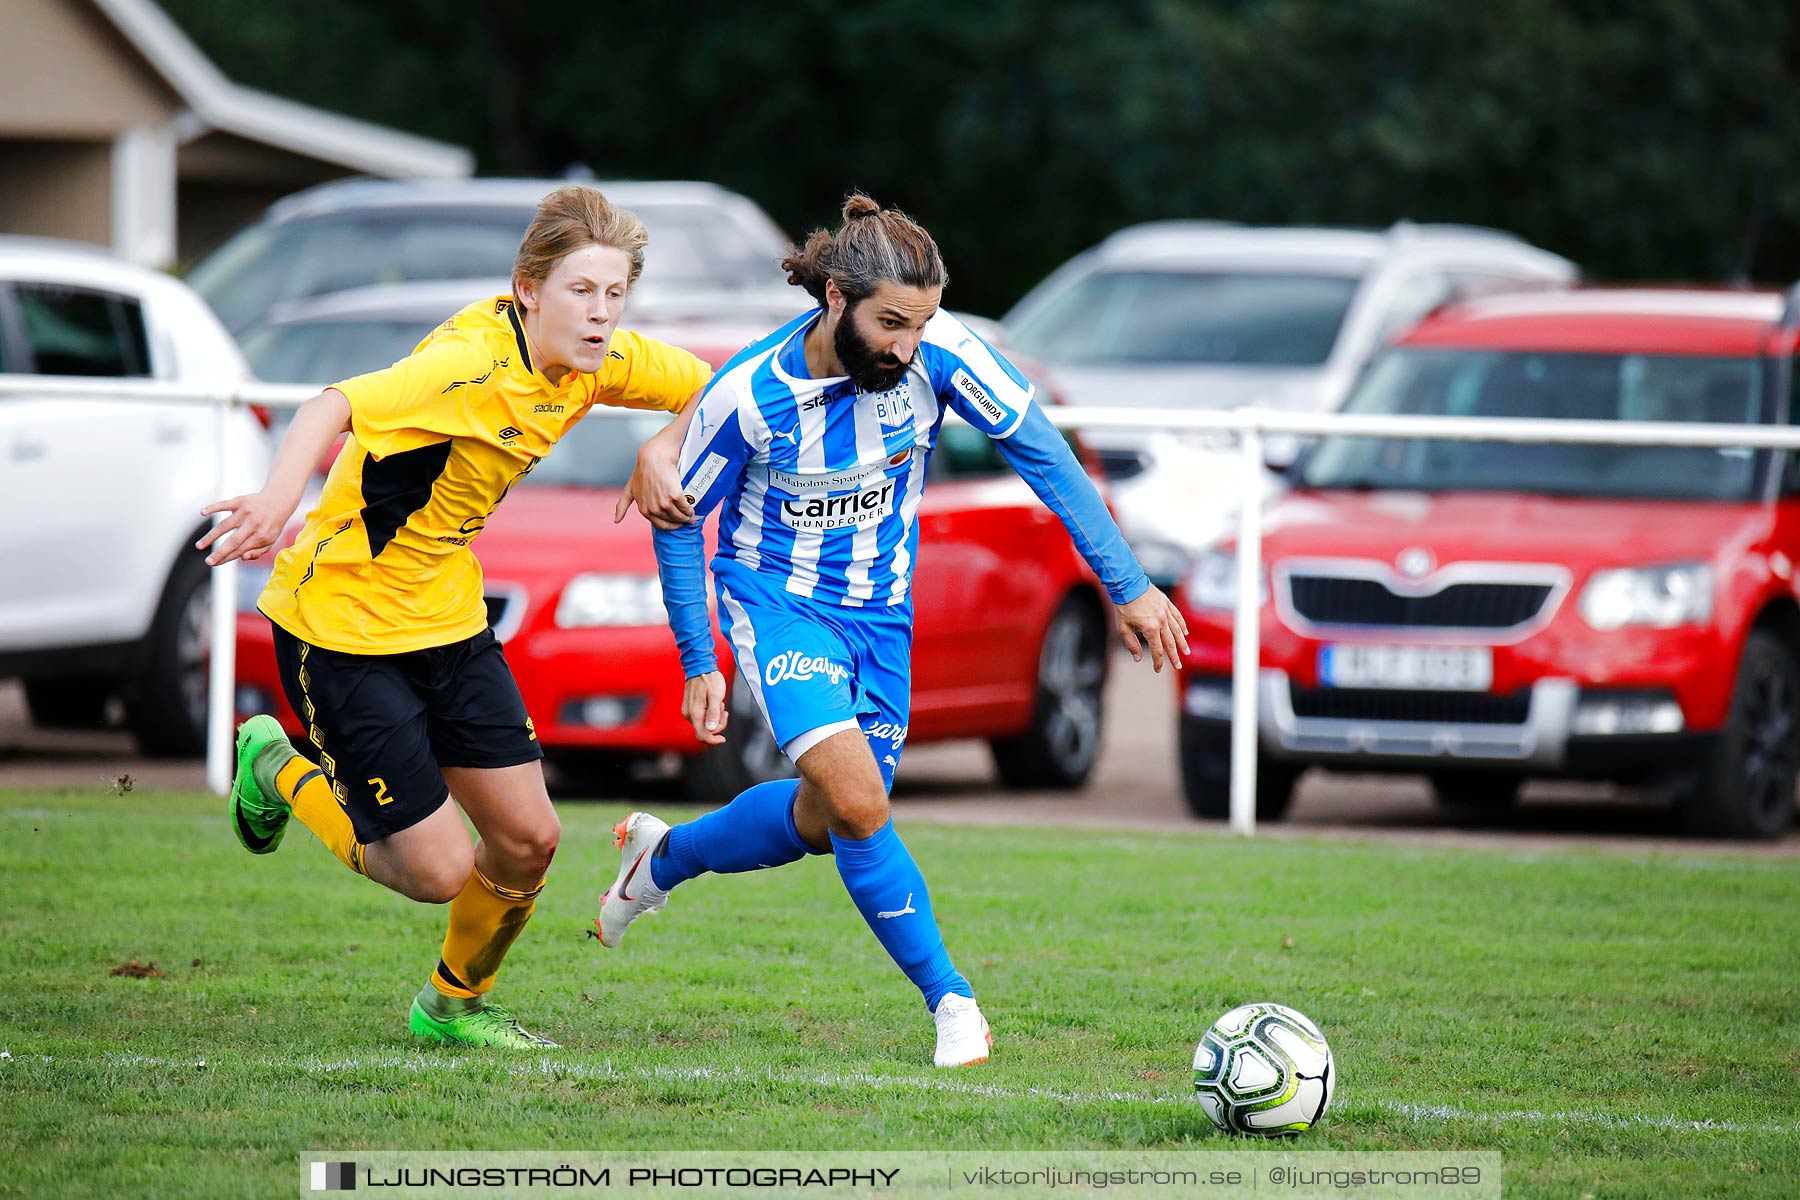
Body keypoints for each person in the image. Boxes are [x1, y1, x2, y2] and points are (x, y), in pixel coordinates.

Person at [599, 194, 1187, 1067]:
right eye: (890, 324)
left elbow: (1044, 453)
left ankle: (663, 858)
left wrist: (1128, 583)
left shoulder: (940, 354)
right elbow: (678, 515)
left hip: (884, 619)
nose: (908, 346)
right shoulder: (752, 398)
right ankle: (954, 1004)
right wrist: (699, 657)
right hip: (780, 608)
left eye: (922, 324)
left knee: (821, 817)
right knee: (863, 803)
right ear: (835, 297)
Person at [199, 186, 713, 1049]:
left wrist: (659, 446)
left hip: (448, 619)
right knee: (437, 870)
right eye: (581, 292)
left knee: (528, 839)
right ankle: (274, 768)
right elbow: (332, 403)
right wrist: (277, 498)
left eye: (615, 294)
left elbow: (716, 386)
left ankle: (452, 1007)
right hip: (341, 627)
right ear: (529, 290)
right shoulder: (466, 364)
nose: (600, 315)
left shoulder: (600, 361)